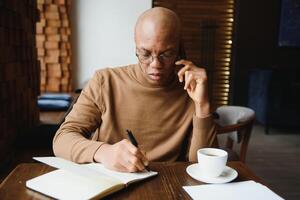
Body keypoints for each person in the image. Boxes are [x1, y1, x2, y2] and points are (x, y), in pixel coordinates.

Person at [53, 7, 216, 172]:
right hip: (110, 182)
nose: (155, 65)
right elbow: (61, 140)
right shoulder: (105, 81)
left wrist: (202, 105)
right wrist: (104, 152)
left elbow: (201, 166)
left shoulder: (192, 89)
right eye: (145, 54)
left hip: (166, 184)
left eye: (166, 54)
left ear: (179, 50)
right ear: (136, 47)